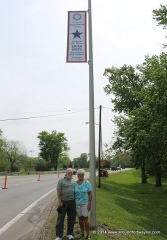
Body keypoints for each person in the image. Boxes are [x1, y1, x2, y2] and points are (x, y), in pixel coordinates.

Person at [55, 168, 76, 240]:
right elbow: (58, 191)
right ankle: (58, 236)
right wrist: (59, 201)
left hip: (72, 202)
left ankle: (69, 234)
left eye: (71, 173)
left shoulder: (74, 180)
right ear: (66, 173)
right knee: (60, 219)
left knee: (71, 218)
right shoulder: (61, 181)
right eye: (68, 173)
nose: (70, 174)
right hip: (63, 202)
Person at [75, 169, 92, 240]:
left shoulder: (87, 183)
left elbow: (90, 194)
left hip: (85, 203)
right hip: (77, 204)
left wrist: (89, 204)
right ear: (77, 175)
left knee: (85, 218)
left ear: (83, 175)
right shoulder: (75, 183)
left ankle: (88, 235)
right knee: (80, 218)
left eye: (82, 174)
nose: (80, 175)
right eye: (79, 174)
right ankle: (82, 233)